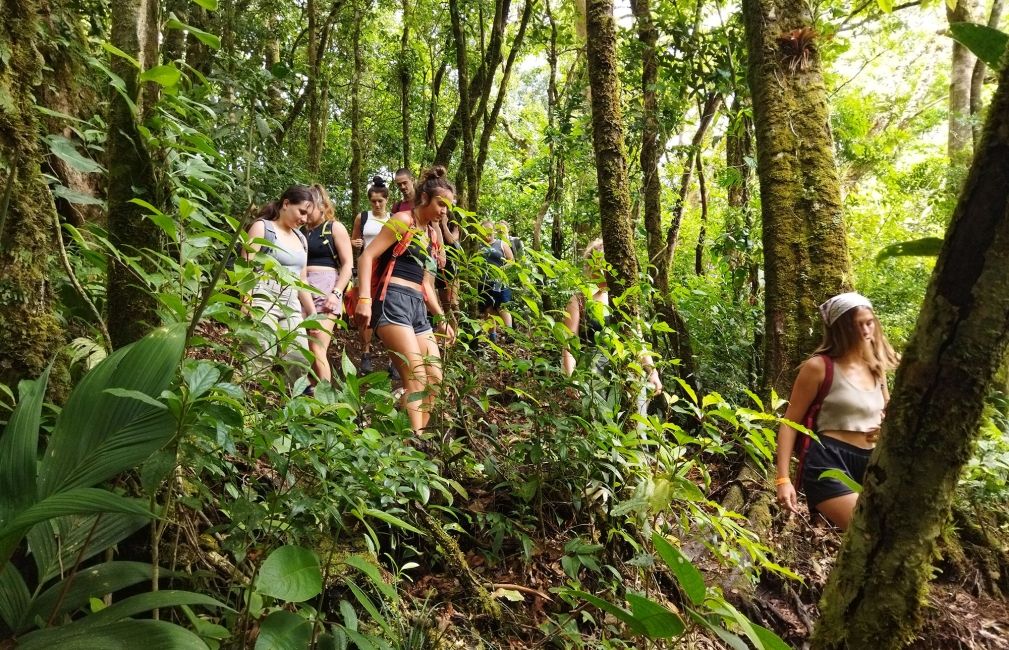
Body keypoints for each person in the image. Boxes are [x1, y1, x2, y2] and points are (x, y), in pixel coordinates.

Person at [774, 292, 899, 530]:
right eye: (857, 325)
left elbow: (889, 414)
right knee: (866, 533)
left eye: (869, 322)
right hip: (828, 461)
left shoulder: (876, 368)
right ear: (841, 329)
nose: (865, 330)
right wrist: (783, 479)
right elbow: (790, 424)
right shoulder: (818, 367)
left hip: (873, 462)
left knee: (884, 539)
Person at [355, 166, 456, 435]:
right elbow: (367, 257)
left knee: (434, 377)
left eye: (448, 207)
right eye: (440, 204)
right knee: (415, 375)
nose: (444, 211)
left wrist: (442, 320)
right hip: (392, 300)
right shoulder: (402, 220)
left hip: (418, 306)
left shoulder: (433, 235)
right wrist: (364, 299)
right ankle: (416, 441)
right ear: (424, 199)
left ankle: (412, 435)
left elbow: (428, 284)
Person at [562, 239, 662, 395]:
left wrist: (652, 372)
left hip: (626, 373)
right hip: (592, 374)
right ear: (591, 266)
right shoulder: (579, 299)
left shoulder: (625, 299)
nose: (604, 270)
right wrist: (571, 379)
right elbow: (569, 344)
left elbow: (637, 340)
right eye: (599, 263)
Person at [243, 185, 317, 389]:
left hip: (291, 301)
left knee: (298, 356)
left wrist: (312, 314)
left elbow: (302, 279)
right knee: (260, 352)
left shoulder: (301, 238)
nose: (304, 219)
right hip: (263, 294)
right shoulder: (263, 227)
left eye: (308, 216)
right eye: (302, 212)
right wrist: (246, 299)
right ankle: (245, 404)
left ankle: (284, 408)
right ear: (286, 204)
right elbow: (245, 265)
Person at [304, 184, 352, 384]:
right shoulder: (301, 231)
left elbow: (348, 264)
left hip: (326, 289)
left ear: (321, 206)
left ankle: (324, 397)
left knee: (317, 345)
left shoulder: (334, 228)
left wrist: (337, 293)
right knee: (304, 348)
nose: (305, 213)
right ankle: (308, 394)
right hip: (302, 291)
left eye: (309, 208)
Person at [352, 177, 393, 373]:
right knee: (365, 311)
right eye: (373, 201)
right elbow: (353, 239)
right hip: (367, 268)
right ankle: (366, 354)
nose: (377, 204)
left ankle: (392, 359)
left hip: (387, 270)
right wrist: (356, 244)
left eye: (380, 201)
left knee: (388, 311)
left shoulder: (393, 219)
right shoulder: (363, 217)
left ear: (387, 200)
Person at [479, 220, 514, 339]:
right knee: (488, 308)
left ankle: (509, 333)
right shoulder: (479, 246)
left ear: (494, 230)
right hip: (484, 282)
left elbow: (511, 260)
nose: (487, 233)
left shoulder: (501, 244)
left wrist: (500, 270)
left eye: (489, 230)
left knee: (502, 306)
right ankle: (492, 336)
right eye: (484, 230)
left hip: (500, 281)